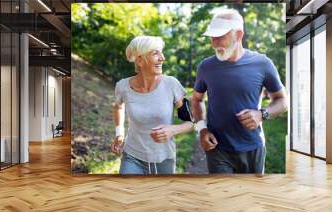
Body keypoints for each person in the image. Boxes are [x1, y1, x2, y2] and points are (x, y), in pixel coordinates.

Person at [191, 9, 288, 175]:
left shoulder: (263, 64)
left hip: (253, 148)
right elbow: (197, 99)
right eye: (212, 38)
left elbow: (283, 101)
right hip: (217, 148)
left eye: (220, 36)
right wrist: (202, 129)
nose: (214, 43)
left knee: (250, 198)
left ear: (239, 35)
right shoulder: (205, 67)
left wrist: (262, 114)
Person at [111, 36, 194, 175]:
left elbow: (190, 122)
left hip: (164, 159)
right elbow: (118, 106)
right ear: (139, 60)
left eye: (161, 53)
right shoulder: (123, 86)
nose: (162, 58)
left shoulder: (171, 84)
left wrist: (173, 130)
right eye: (156, 53)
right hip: (132, 156)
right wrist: (119, 133)